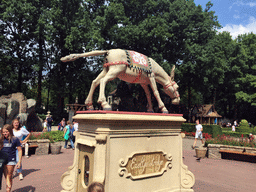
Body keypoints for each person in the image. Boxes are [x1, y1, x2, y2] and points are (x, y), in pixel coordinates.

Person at [1, 124, 22, 192]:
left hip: (11, 159)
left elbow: (20, 150)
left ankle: (8, 189)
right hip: (3, 159)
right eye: (3, 132)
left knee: (9, 175)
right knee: (6, 176)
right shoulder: (1, 139)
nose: (5, 133)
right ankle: (8, 187)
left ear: (10, 131)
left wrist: (19, 161)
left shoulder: (15, 139)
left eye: (6, 131)